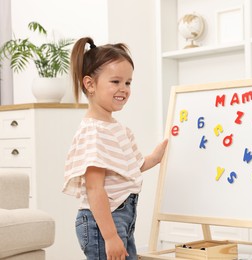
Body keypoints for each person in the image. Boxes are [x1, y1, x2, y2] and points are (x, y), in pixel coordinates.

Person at [63, 37, 168, 260]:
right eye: (116, 82)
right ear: (90, 84)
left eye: (128, 83)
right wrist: (110, 236)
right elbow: (95, 189)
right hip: (103, 223)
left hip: (122, 219)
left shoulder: (117, 129)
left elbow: (134, 166)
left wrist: (157, 157)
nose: (124, 89)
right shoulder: (94, 132)